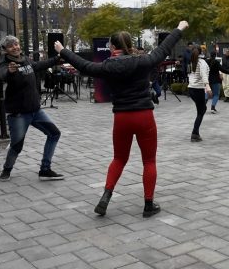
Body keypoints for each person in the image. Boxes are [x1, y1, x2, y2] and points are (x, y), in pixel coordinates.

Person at [53, 21, 189, 218]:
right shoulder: (143, 61)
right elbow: (164, 49)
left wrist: (63, 50)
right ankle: (148, 204)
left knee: (119, 158)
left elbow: (84, 66)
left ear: (112, 47)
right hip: (144, 116)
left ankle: (106, 195)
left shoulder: (108, 66)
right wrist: (179, 28)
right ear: (130, 44)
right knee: (149, 161)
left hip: (122, 117)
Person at [0, 35, 64, 182]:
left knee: (54, 134)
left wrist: (56, 59)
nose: (15, 47)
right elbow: (3, 75)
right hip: (18, 114)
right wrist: (10, 71)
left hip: (36, 111)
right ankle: (7, 169)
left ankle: (45, 170)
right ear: (5, 50)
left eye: (16, 44)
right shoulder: (4, 62)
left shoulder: (25, 59)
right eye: (11, 46)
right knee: (17, 145)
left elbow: (38, 66)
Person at [187, 47, 212, 141]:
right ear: (201, 53)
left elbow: (189, 75)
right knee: (202, 110)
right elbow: (204, 75)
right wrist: (208, 87)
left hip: (191, 89)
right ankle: (194, 133)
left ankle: (196, 133)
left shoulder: (192, 62)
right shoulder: (202, 63)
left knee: (201, 109)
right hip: (198, 89)